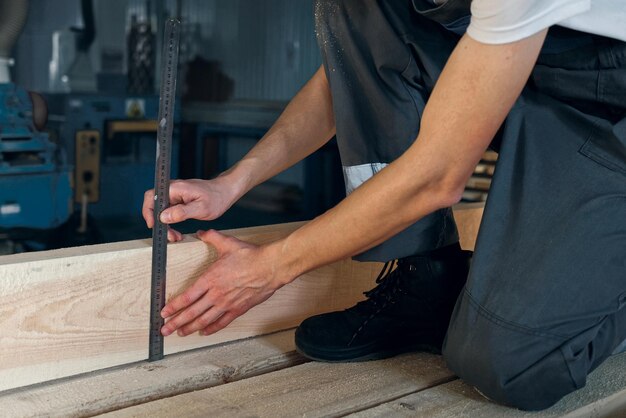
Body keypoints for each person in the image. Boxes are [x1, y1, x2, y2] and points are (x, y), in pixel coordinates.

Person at [143, 0, 626, 411]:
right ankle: (426, 279)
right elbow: (349, 75)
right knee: (358, 8)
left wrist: (270, 267)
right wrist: (231, 183)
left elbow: (438, 175)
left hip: (612, 112)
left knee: (507, 365)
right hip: (538, 71)